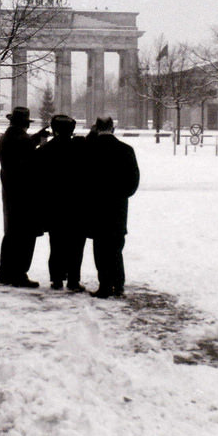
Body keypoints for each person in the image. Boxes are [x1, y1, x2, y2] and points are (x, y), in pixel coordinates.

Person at [0, 106, 50, 288]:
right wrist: (43, 145)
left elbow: (24, 148)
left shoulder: (8, 137)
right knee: (24, 236)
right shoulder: (20, 139)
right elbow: (32, 162)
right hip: (25, 195)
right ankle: (19, 273)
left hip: (11, 193)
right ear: (24, 124)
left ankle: (5, 272)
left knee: (11, 234)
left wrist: (35, 138)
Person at [85, 116, 139, 299]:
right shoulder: (126, 150)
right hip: (118, 208)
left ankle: (105, 285)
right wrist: (120, 195)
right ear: (113, 128)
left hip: (97, 207)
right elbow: (133, 182)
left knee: (101, 249)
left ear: (97, 128)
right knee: (116, 247)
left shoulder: (90, 149)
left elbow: (83, 180)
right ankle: (119, 284)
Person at [35, 114, 88, 292]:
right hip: (77, 205)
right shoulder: (81, 149)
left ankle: (56, 278)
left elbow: (38, 179)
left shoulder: (45, 151)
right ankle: (73, 279)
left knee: (56, 243)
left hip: (54, 205)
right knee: (76, 244)